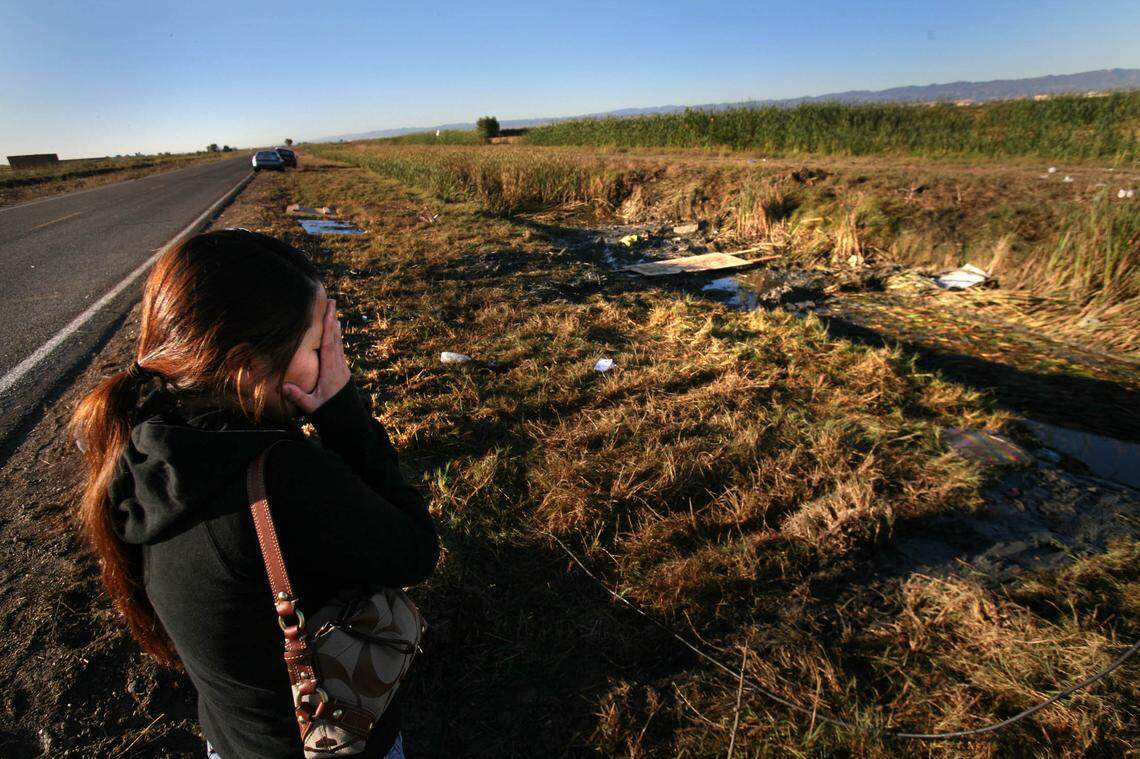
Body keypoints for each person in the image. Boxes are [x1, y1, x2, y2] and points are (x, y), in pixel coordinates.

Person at [70, 229, 439, 758]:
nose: (332, 362)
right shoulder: (283, 476)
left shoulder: (140, 444)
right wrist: (341, 412)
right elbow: (415, 551)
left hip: (231, 740)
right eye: (317, 347)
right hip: (323, 743)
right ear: (245, 369)